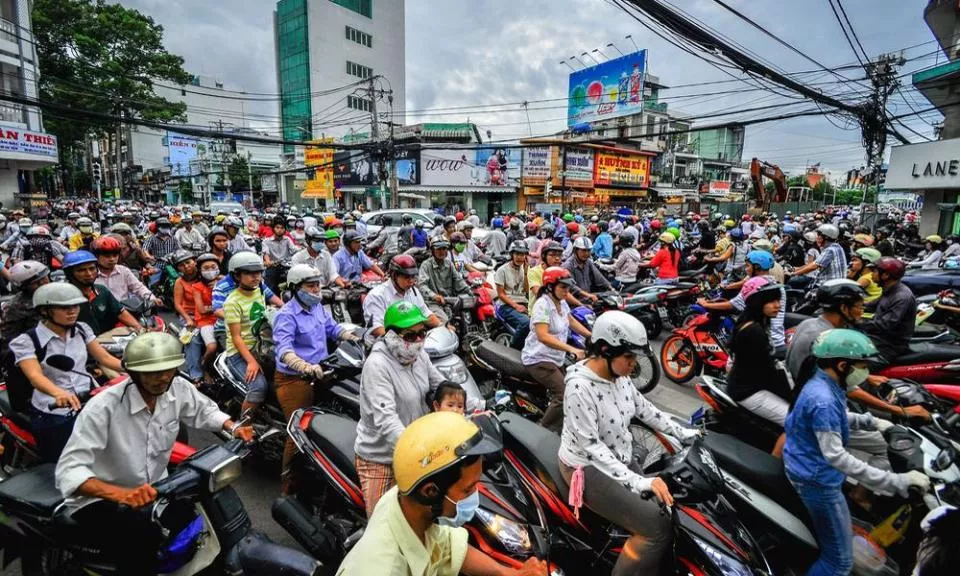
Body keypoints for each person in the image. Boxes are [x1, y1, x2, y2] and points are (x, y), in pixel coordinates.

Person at [54, 332, 253, 574]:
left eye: (168, 370)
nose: (163, 377)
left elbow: (204, 411)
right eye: (152, 372)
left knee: (195, 520)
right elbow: (69, 471)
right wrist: (122, 495)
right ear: (134, 373)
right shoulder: (103, 408)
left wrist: (233, 427)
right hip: (103, 499)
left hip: (157, 490)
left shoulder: (177, 388)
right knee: (143, 541)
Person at [559, 311, 700, 576]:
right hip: (588, 467)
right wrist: (639, 481)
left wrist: (684, 433)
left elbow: (645, 409)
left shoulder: (620, 377)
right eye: (629, 357)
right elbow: (593, 448)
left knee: (668, 507)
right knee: (657, 528)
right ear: (604, 350)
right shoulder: (579, 388)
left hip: (620, 458)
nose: (634, 365)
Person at [783, 329, 930, 576]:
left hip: (807, 468)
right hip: (817, 482)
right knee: (839, 563)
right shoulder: (823, 398)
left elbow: (836, 417)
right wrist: (897, 481)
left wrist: (874, 422)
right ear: (842, 365)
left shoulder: (823, 381)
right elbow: (837, 457)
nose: (865, 372)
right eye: (862, 366)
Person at [337, 411, 547, 576]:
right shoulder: (383, 568)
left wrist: (509, 573)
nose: (475, 495)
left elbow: (450, 548)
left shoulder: (409, 508)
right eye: (468, 489)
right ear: (430, 491)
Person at [354, 302, 448, 516]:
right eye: (410, 335)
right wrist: (418, 453)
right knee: (382, 525)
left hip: (418, 452)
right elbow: (387, 421)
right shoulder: (377, 365)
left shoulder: (419, 356)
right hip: (382, 458)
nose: (418, 341)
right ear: (391, 336)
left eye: (422, 333)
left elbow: (442, 387)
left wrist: (475, 407)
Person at [11, 283, 123, 462]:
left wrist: (135, 368)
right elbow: (35, 376)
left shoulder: (82, 329)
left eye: (75, 306)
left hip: (89, 399)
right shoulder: (27, 341)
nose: (72, 311)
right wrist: (59, 393)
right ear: (45, 311)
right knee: (67, 460)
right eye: (64, 308)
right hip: (54, 409)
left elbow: (105, 358)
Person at [273, 264, 360, 494]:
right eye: (310, 286)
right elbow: (283, 349)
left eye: (317, 285)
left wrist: (355, 337)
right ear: (296, 288)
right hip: (295, 378)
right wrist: (303, 365)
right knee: (299, 429)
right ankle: (288, 486)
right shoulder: (286, 315)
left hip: (322, 372)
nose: (316, 290)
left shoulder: (318, 307)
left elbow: (333, 329)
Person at [522, 267, 591, 432]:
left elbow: (571, 321)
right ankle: (544, 430)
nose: (566, 291)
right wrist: (572, 349)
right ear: (550, 287)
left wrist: (592, 336)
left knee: (576, 386)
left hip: (555, 357)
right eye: (563, 287)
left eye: (568, 287)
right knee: (563, 395)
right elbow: (543, 336)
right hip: (539, 359)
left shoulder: (561, 302)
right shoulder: (542, 305)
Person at [726, 278, 793, 425]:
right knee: (794, 421)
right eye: (771, 301)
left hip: (754, 384)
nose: (778, 305)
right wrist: (792, 395)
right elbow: (768, 372)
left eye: (778, 300)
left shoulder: (757, 323)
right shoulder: (754, 330)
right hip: (748, 391)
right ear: (758, 302)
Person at [699, 250, 787, 353]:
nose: (746, 269)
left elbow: (732, 305)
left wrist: (705, 304)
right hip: (777, 340)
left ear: (757, 267)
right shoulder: (776, 286)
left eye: (748, 266)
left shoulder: (756, 286)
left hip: (764, 343)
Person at [222, 252, 269, 416]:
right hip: (239, 353)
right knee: (259, 387)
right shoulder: (232, 302)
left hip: (262, 347)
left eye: (258, 272)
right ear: (237, 276)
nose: (255, 276)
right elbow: (236, 337)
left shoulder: (260, 291)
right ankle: (243, 424)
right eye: (249, 273)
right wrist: (251, 362)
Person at [364, 254, 444, 338]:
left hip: (412, 339)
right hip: (386, 342)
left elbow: (425, 313)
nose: (411, 281)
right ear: (394, 275)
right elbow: (376, 328)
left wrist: (441, 326)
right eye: (407, 277)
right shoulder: (376, 296)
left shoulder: (413, 291)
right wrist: (399, 340)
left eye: (413, 276)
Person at [62, 250, 141, 335]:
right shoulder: (64, 298)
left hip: (107, 339)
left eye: (92, 268)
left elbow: (120, 313)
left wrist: (140, 330)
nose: (89, 274)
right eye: (82, 270)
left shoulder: (102, 291)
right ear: (70, 273)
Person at [860, 256, 916, 364]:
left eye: (874, 271)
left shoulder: (901, 297)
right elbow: (870, 305)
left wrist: (857, 323)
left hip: (890, 346)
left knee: (853, 366)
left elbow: (885, 324)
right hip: (878, 339)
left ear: (885, 275)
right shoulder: (889, 291)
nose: (871, 274)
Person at [418, 237, 471, 324]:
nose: (442, 251)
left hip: (451, 301)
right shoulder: (426, 265)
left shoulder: (449, 263)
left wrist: (470, 290)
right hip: (433, 303)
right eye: (439, 249)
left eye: (444, 248)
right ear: (433, 250)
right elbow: (422, 285)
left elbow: (458, 280)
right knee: (445, 323)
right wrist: (434, 296)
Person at [91, 235, 158, 304]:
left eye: (115, 255)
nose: (112, 259)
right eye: (107, 256)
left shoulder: (124, 271)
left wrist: (153, 299)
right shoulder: (91, 274)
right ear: (97, 257)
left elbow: (139, 288)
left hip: (125, 308)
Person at [494, 241, 531, 350]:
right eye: (517, 254)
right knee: (526, 323)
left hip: (523, 303)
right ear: (512, 255)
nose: (520, 257)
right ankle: (514, 349)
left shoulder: (526, 269)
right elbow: (501, 294)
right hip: (506, 305)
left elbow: (526, 290)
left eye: (522, 254)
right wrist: (516, 306)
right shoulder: (502, 270)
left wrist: (526, 273)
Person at [563, 236, 611, 301]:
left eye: (588, 250)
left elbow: (599, 277)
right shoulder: (568, 265)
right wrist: (587, 295)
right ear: (575, 250)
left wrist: (611, 288)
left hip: (588, 298)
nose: (586, 253)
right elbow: (571, 286)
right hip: (575, 300)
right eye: (583, 250)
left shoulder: (588, 262)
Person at [261, 216, 299, 294]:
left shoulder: (287, 239)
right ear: (273, 228)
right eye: (277, 227)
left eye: (282, 228)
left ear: (285, 229)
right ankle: (269, 298)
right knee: (269, 286)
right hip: (273, 267)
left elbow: (294, 249)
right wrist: (268, 261)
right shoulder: (266, 241)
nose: (279, 230)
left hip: (287, 267)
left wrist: (302, 249)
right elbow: (266, 253)